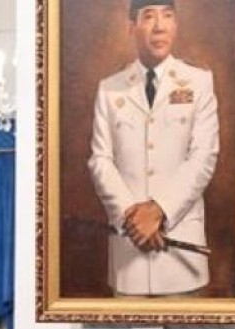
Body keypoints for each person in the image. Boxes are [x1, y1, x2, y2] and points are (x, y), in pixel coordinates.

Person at [88, 0, 219, 296]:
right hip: (128, 259)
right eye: (148, 16)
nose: (159, 26)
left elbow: (203, 157)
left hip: (182, 260)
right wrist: (131, 218)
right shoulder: (109, 88)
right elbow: (100, 160)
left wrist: (159, 210)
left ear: (176, 24)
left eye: (167, 16)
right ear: (131, 27)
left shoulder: (199, 83)